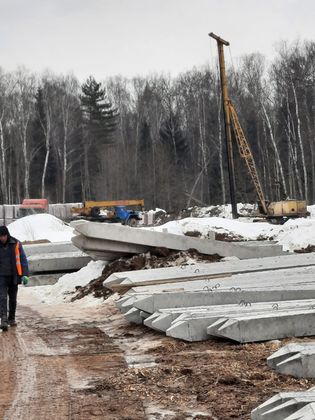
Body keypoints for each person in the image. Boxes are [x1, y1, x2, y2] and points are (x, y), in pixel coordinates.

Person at [0, 226, 29, 331]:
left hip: (14, 276)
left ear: (7, 235)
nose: (2, 238)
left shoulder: (16, 243)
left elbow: (23, 259)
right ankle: (3, 320)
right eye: (0, 236)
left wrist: (25, 274)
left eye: (3, 236)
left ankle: (11, 319)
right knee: (2, 298)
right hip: (1, 276)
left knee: (13, 299)